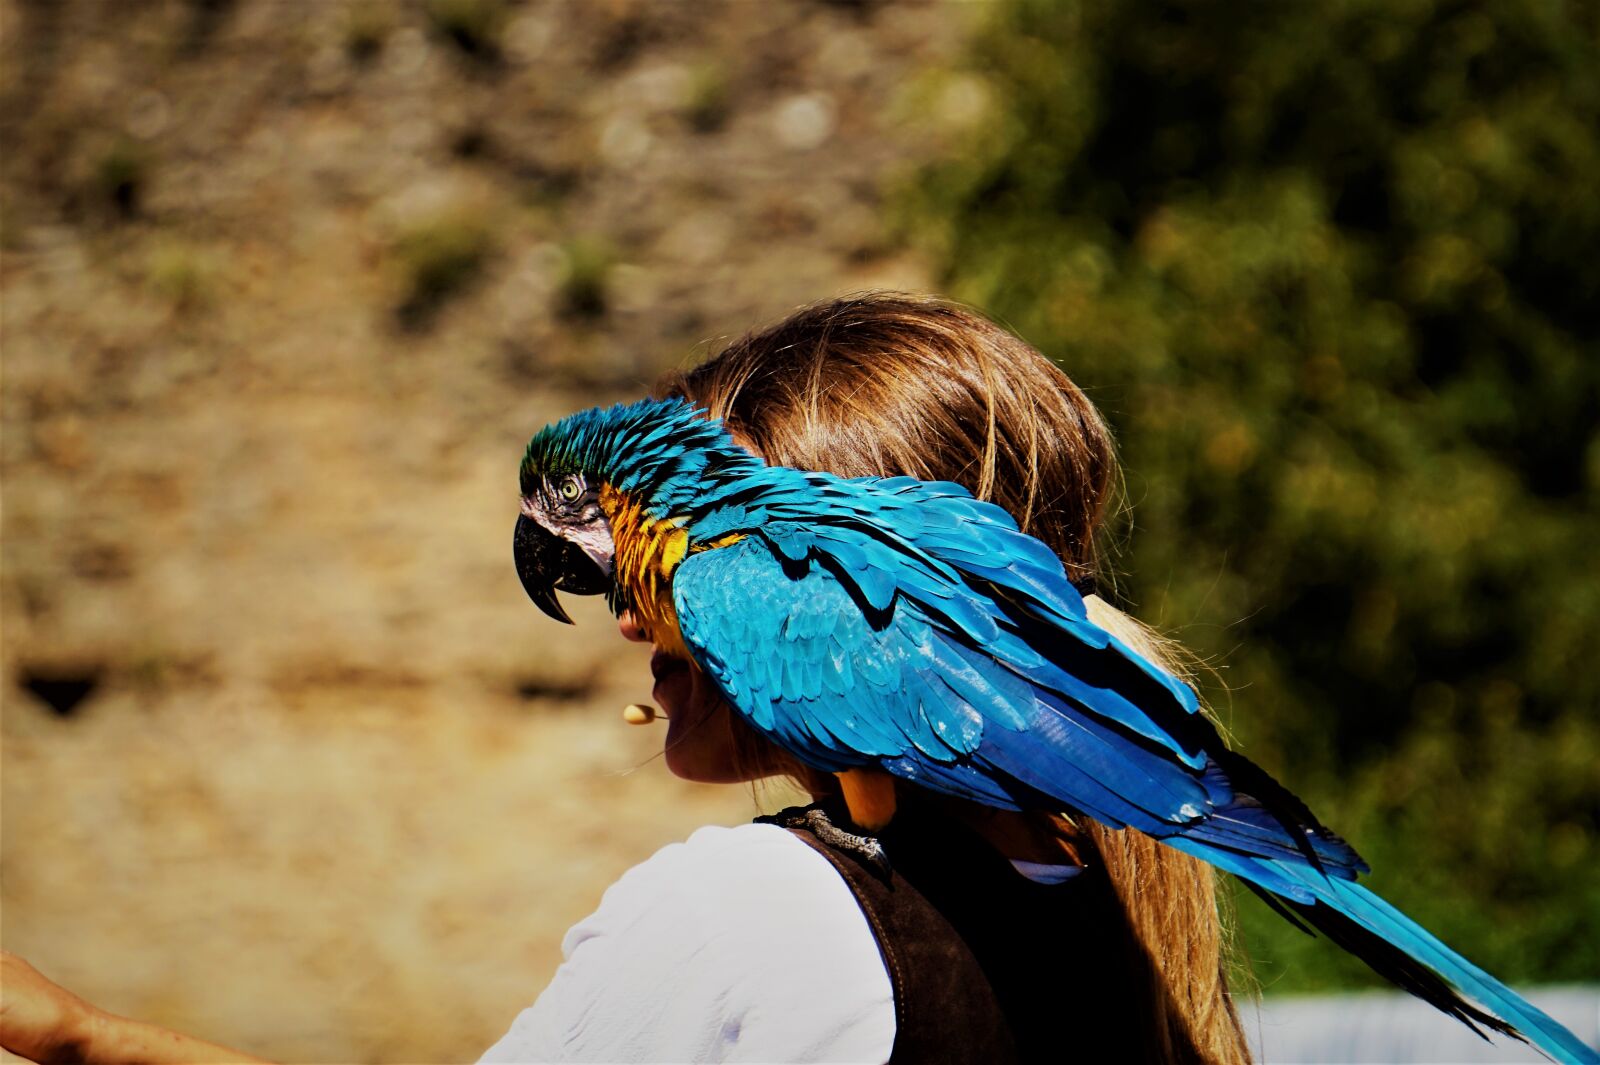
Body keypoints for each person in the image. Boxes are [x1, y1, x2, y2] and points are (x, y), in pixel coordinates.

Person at [0, 293, 1249, 1064]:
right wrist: (90, 1038)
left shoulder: (756, 911)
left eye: (690, 560)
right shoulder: (1105, 909)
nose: (628, 620)